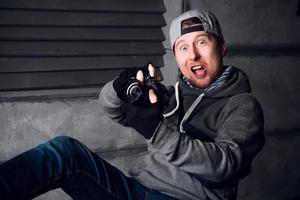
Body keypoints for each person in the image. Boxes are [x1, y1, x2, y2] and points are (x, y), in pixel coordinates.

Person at [0, 9, 265, 200]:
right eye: (183, 47)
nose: (193, 54)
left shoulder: (241, 105)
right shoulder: (172, 96)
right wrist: (120, 87)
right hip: (137, 189)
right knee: (64, 152)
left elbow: (225, 164)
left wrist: (157, 132)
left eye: (202, 42)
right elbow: (111, 109)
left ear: (222, 47)